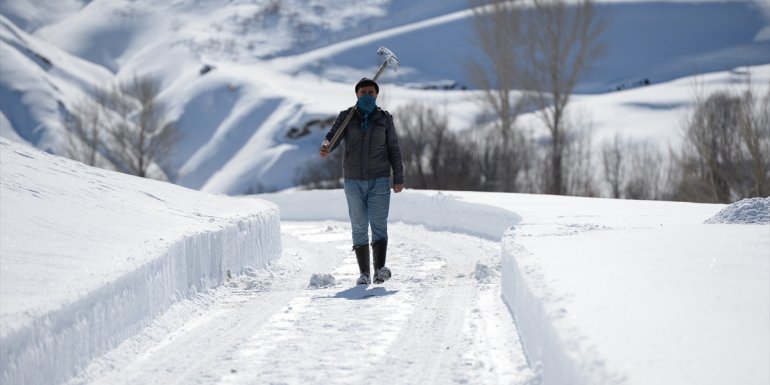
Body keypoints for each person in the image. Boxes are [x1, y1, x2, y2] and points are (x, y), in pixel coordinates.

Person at [319, 78, 404, 285]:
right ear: (356, 94)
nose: (367, 96)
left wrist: (398, 177)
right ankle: (364, 273)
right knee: (358, 226)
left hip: (380, 179)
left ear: (377, 95)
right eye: (363, 92)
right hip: (353, 180)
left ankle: (380, 270)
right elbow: (333, 137)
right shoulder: (347, 117)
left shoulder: (384, 119)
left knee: (378, 225)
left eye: (371, 93)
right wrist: (327, 145)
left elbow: (394, 149)